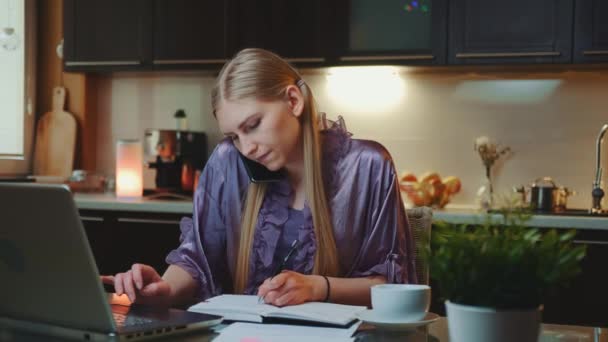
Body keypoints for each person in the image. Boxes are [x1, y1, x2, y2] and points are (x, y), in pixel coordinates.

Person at [101, 48, 417, 308]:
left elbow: (390, 285)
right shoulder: (228, 160)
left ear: (294, 101)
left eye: (253, 125)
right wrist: (163, 289)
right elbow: (197, 258)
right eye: (234, 135)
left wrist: (318, 288)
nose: (246, 147)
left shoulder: (369, 165)